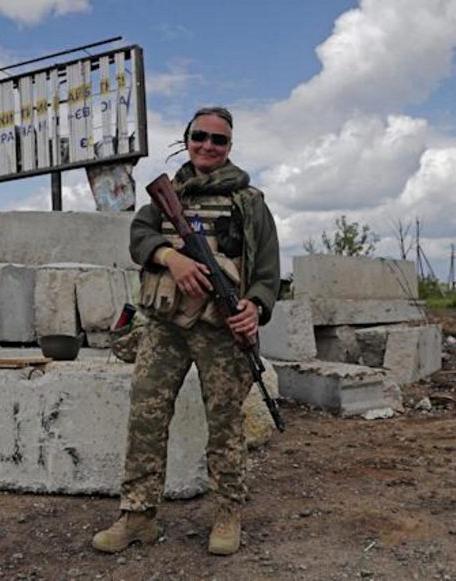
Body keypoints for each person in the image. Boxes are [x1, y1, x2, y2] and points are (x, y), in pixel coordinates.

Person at [92, 106, 280, 556]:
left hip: (220, 329)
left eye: (219, 139)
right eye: (200, 136)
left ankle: (227, 513)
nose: (208, 146)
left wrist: (254, 308)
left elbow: (267, 272)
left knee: (225, 424)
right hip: (165, 326)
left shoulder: (249, 202)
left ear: (229, 146)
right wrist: (170, 258)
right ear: (186, 139)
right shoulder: (164, 198)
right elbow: (139, 238)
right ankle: (138, 516)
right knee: (146, 417)